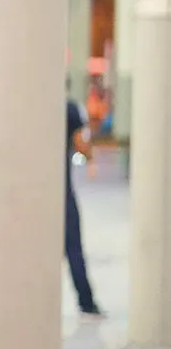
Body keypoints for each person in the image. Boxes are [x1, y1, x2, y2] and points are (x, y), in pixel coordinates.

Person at [66, 95, 103, 317]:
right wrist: (90, 158)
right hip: (61, 192)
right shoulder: (69, 109)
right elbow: (81, 142)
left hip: (34, 192)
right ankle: (87, 302)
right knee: (73, 248)